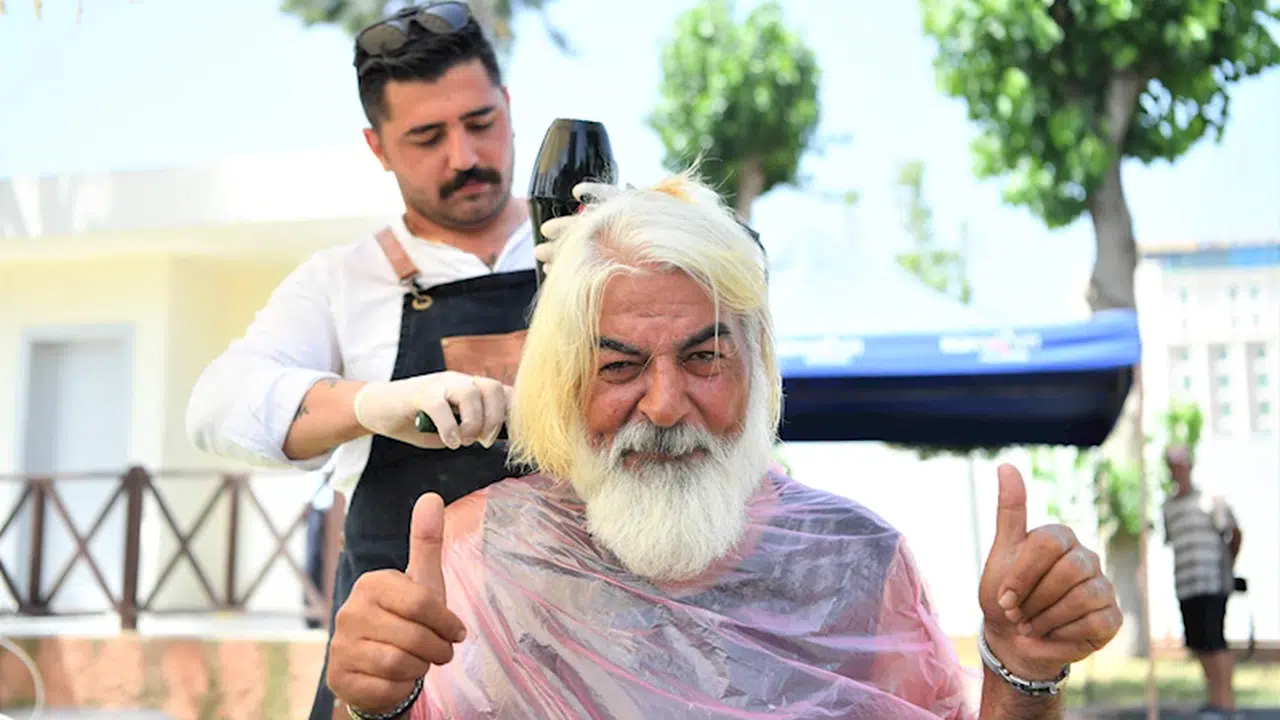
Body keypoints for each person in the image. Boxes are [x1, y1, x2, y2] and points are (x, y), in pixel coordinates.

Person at [324, 171, 1124, 720]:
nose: (665, 404)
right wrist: (379, 705)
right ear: (564, 382)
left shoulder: (856, 565)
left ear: (757, 366)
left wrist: (1022, 670)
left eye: (704, 358)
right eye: (619, 366)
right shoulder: (482, 557)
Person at [184, 4, 538, 719]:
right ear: (378, 147)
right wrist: (370, 404)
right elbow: (216, 405)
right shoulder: (343, 281)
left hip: (588, 649)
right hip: (403, 669)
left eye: (480, 123)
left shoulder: (592, 248)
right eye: (427, 137)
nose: (464, 157)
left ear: (507, 105)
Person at [1162, 446, 1242, 718]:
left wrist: (1228, 566)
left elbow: (1234, 533)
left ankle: (1226, 705)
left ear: (1190, 466)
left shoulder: (1211, 499)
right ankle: (1214, 700)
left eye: (1181, 464)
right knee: (1198, 643)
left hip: (1213, 582)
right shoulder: (1168, 507)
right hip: (1186, 585)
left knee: (1214, 641)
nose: (1178, 470)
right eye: (1173, 465)